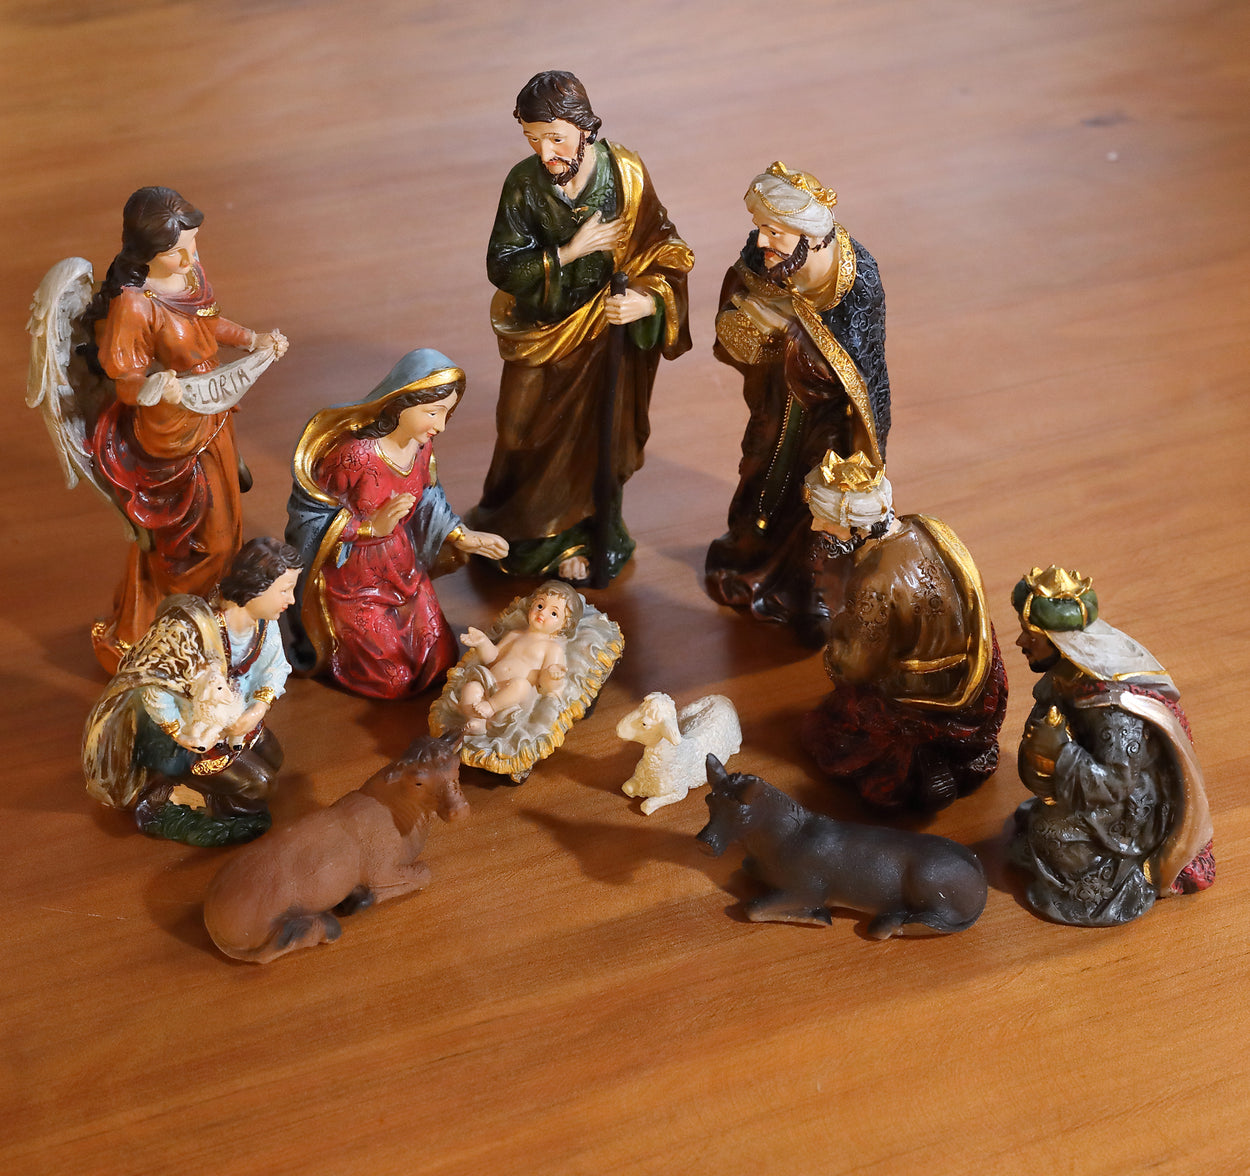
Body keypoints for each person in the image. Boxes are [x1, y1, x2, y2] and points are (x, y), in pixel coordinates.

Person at [465, 70, 693, 584]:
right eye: (533, 139)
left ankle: (587, 534)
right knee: (519, 431)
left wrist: (646, 302)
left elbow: (667, 249)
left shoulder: (626, 175)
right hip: (543, 332)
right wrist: (568, 252)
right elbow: (502, 266)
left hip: (607, 335)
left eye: (555, 138)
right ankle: (521, 531)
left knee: (601, 435)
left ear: (584, 128)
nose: (545, 152)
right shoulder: (524, 183)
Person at [79, 186, 289, 672]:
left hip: (211, 414)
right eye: (177, 250)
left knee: (228, 527)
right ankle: (180, 632)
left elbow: (208, 325)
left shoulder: (189, 275)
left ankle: (217, 625)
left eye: (193, 244)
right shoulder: (134, 305)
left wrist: (252, 339)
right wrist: (156, 387)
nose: (190, 258)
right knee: (196, 543)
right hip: (170, 434)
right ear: (146, 252)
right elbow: (125, 379)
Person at [706, 162, 891, 646]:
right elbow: (736, 299)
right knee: (760, 470)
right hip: (775, 401)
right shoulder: (763, 256)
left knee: (820, 499)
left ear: (809, 236)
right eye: (760, 227)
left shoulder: (858, 279)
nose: (761, 240)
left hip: (832, 416)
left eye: (775, 232)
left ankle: (815, 596)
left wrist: (792, 336)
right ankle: (749, 554)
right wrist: (748, 326)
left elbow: (858, 366)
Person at [284, 349, 507, 700]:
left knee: (440, 661)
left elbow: (429, 499)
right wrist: (369, 528)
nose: (440, 426)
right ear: (401, 404)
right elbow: (310, 517)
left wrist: (462, 536)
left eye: (447, 413)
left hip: (403, 568)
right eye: (433, 412)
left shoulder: (421, 448)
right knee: (393, 680)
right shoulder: (353, 456)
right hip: (352, 582)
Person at [799, 451, 1007, 811]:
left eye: (825, 520)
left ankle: (919, 755)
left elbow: (857, 665)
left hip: (918, 691)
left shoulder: (873, 582)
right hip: (973, 672)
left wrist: (837, 638)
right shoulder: (926, 526)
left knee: (832, 727)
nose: (817, 527)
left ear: (856, 526)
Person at [1009, 565, 1215, 926]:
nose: (1021, 643)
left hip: (1128, 811)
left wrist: (1061, 754)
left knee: (1050, 835)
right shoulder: (1064, 678)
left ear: (1059, 642)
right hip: (1087, 791)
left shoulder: (1111, 708)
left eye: (1032, 635)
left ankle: (1115, 880)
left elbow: (1118, 783)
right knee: (1037, 822)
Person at [82, 538, 301, 846]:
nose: (291, 600)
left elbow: (274, 668)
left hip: (231, 720)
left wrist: (256, 710)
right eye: (284, 590)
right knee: (260, 784)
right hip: (186, 732)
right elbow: (154, 685)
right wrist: (183, 734)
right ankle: (179, 800)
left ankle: (212, 795)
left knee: (273, 758)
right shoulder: (193, 629)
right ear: (256, 587)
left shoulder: (263, 624)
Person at [456, 581, 582, 734]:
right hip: (490, 683)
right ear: (532, 605)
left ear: (564, 625)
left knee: (522, 685)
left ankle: (491, 707)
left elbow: (546, 686)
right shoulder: (515, 634)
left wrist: (553, 675)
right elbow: (493, 657)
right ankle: (477, 721)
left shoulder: (552, 648)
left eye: (554, 613)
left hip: (514, 696)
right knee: (471, 688)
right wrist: (482, 642)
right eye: (540, 606)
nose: (542, 613)